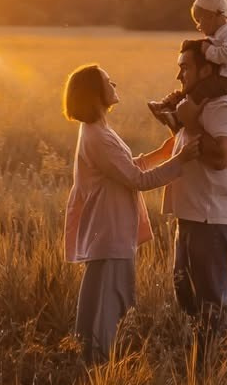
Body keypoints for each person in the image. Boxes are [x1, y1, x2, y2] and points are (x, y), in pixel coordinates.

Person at [62, 63, 199, 365]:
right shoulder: (98, 137)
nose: (115, 84)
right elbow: (138, 180)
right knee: (107, 308)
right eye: (108, 81)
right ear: (95, 94)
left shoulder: (98, 131)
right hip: (109, 231)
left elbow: (126, 169)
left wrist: (162, 154)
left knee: (105, 303)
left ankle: (98, 365)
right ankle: (98, 370)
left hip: (110, 230)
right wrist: (181, 161)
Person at [147, 38, 227, 357]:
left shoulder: (224, 107)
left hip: (214, 217)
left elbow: (220, 156)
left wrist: (187, 121)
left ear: (207, 69)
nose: (179, 76)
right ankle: (202, 362)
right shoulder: (197, 106)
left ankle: (224, 367)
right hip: (192, 214)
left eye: (185, 68)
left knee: (212, 303)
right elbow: (190, 149)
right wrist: (175, 123)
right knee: (188, 294)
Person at [147, 0, 227, 130]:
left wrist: (208, 50)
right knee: (198, 87)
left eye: (199, 20)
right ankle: (170, 106)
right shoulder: (220, 34)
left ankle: (178, 118)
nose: (198, 26)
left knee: (202, 89)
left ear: (211, 16)